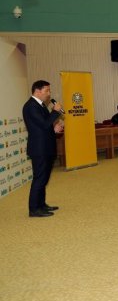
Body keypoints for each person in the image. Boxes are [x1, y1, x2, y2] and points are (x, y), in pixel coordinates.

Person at [23, 80, 63, 218]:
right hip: (39, 149)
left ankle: (41, 205)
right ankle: (34, 209)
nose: (49, 94)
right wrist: (55, 111)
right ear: (37, 91)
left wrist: (54, 128)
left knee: (44, 178)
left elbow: (44, 126)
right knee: (39, 178)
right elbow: (44, 124)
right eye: (47, 91)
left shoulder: (40, 105)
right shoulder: (30, 106)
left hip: (46, 147)